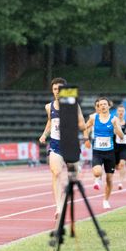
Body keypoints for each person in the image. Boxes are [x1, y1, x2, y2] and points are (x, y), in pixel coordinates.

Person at [39, 77, 86, 219]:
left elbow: (83, 125)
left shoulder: (74, 105)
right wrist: (44, 135)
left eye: (60, 89)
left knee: (73, 177)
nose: (57, 92)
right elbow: (50, 122)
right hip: (55, 144)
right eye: (54, 89)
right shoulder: (49, 107)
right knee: (56, 172)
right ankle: (58, 207)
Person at [83, 97, 124, 209]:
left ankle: (105, 200)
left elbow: (121, 136)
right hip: (97, 152)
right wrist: (86, 140)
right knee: (97, 172)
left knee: (110, 179)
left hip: (110, 153)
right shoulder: (93, 118)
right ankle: (97, 178)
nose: (103, 106)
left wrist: (116, 126)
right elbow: (84, 128)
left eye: (105, 104)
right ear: (98, 107)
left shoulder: (114, 119)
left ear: (108, 106)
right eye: (101, 104)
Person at [114, 104, 126, 190]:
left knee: (122, 164)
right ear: (117, 112)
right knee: (115, 166)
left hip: (123, 147)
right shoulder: (114, 121)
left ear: (125, 112)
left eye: (122, 111)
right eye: (119, 111)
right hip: (114, 146)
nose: (121, 112)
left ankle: (120, 182)